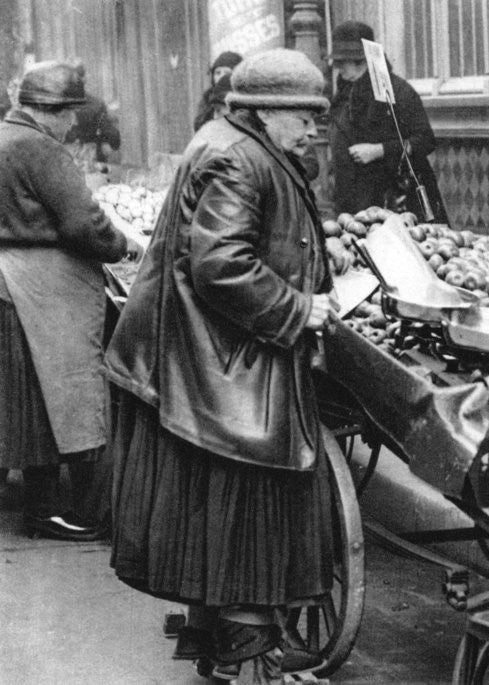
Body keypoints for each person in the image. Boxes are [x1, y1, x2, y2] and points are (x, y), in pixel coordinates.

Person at [104, 49, 342, 682]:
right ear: (264, 109)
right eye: (304, 117)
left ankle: (223, 642)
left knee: (218, 505)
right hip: (219, 360)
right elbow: (221, 266)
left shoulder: (234, 141)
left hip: (203, 351)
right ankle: (252, 653)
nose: (313, 129)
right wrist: (300, 308)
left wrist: (311, 253)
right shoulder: (238, 156)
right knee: (249, 497)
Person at [0, 61, 129, 541]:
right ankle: (66, 511)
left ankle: (41, 504)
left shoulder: (4, 136)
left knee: (30, 396)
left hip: (10, 277)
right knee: (68, 392)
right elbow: (82, 224)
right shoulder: (40, 148)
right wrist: (123, 246)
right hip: (46, 283)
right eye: (69, 113)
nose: (74, 122)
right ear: (49, 112)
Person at [327, 20, 447, 222]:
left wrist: (379, 150)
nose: (338, 68)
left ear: (363, 60)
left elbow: (425, 140)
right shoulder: (345, 93)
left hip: (396, 199)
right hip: (353, 199)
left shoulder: (398, 92)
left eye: (342, 62)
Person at [65, 61, 121, 164]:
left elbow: (108, 131)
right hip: (65, 153)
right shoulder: (56, 104)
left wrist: (106, 142)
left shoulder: (96, 104)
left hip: (87, 155)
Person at [193, 51, 243, 132]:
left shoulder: (244, 96)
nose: (221, 76)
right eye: (218, 73)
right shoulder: (208, 99)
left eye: (227, 72)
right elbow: (199, 126)